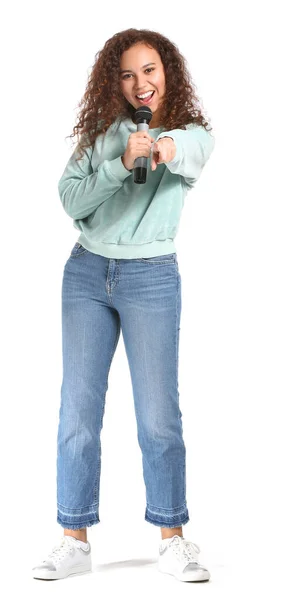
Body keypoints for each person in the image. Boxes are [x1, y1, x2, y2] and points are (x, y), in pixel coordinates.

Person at [32, 28, 215, 583]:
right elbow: (69, 198)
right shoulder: (102, 135)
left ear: (169, 74)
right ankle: (73, 537)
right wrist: (117, 163)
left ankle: (172, 537)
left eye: (150, 71)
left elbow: (190, 155)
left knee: (159, 415)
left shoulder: (191, 133)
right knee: (78, 413)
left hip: (152, 277)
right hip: (86, 273)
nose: (141, 83)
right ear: (114, 82)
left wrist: (159, 147)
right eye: (128, 74)